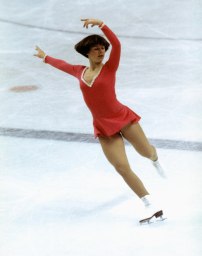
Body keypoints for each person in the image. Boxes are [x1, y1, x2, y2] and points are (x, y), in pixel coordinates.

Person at [34, 18, 166, 224]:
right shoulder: (80, 71)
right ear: (87, 53)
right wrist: (45, 57)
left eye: (103, 48)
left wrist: (102, 25)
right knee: (121, 167)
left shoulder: (110, 67)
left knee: (145, 152)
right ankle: (150, 203)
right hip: (104, 127)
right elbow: (64, 65)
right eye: (96, 49)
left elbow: (118, 45)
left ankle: (155, 158)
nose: (101, 51)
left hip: (123, 119)